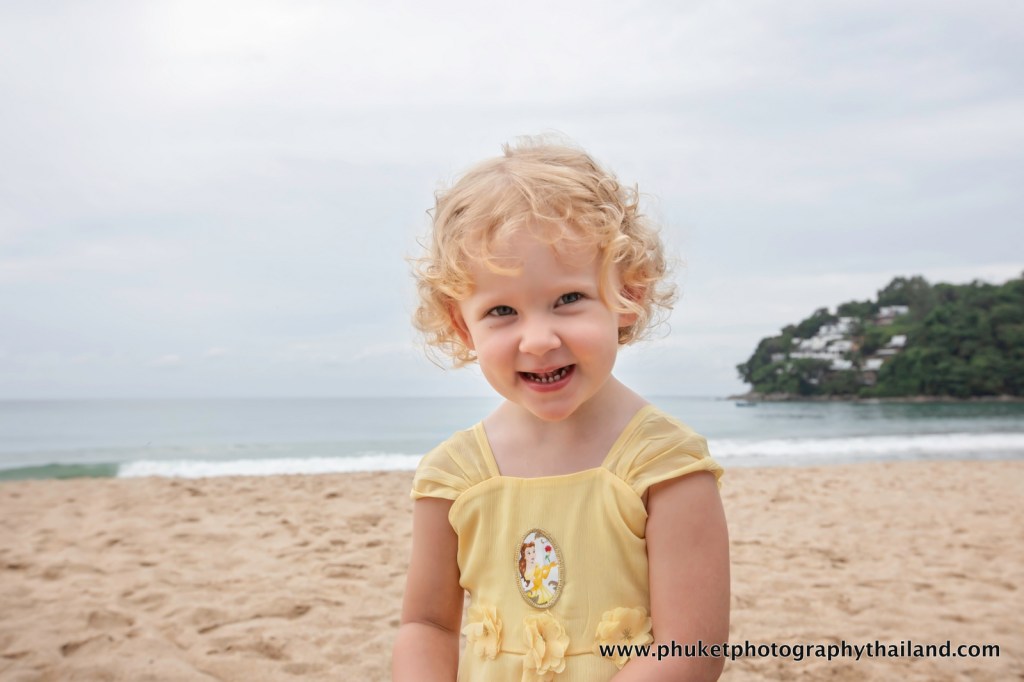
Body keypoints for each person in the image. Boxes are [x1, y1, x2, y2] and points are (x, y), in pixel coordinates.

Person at [392, 137, 729, 681]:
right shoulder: (453, 476)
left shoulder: (666, 466)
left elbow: (690, 651)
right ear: (462, 327)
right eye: (501, 310)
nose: (539, 339)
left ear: (629, 294)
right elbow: (426, 625)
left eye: (568, 299)